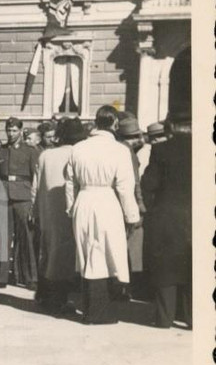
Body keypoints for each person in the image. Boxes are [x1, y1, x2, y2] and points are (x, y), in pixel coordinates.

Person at [64, 105, 141, 325]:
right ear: (115, 124)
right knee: (108, 254)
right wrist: (132, 217)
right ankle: (101, 312)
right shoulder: (119, 150)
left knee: (88, 253)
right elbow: (126, 187)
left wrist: (71, 208)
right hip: (107, 202)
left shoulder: (78, 148)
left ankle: (91, 310)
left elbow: (70, 183)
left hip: (84, 201)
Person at [141, 108, 191, 329]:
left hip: (166, 215)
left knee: (166, 266)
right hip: (197, 215)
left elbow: (149, 184)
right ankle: (193, 318)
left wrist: (152, 208)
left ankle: (164, 318)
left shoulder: (161, 150)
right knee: (194, 265)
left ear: (171, 126)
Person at [31, 118, 86, 313]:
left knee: (47, 252)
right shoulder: (78, 153)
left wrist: (35, 211)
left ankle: (43, 293)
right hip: (70, 211)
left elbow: (35, 188)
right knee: (65, 256)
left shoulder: (46, 155)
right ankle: (59, 299)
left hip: (47, 211)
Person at [0, 117, 39, 290]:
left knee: (27, 239)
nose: (11, 133)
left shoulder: (30, 151)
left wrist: (34, 203)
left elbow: (36, 178)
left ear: (20, 131)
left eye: (14, 130)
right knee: (3, 237)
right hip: (3, 197)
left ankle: (31, 277)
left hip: (23, 197)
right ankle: (0, 277)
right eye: (8, 130)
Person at [115, 116, 148, 299]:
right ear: (133, 137)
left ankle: (121, 286)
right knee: (131, 248)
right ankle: (126, 288)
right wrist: (140, 205)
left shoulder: (117, 149)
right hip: (130, 205)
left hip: (115, 202)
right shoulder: (130, 154)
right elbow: (135, 183)